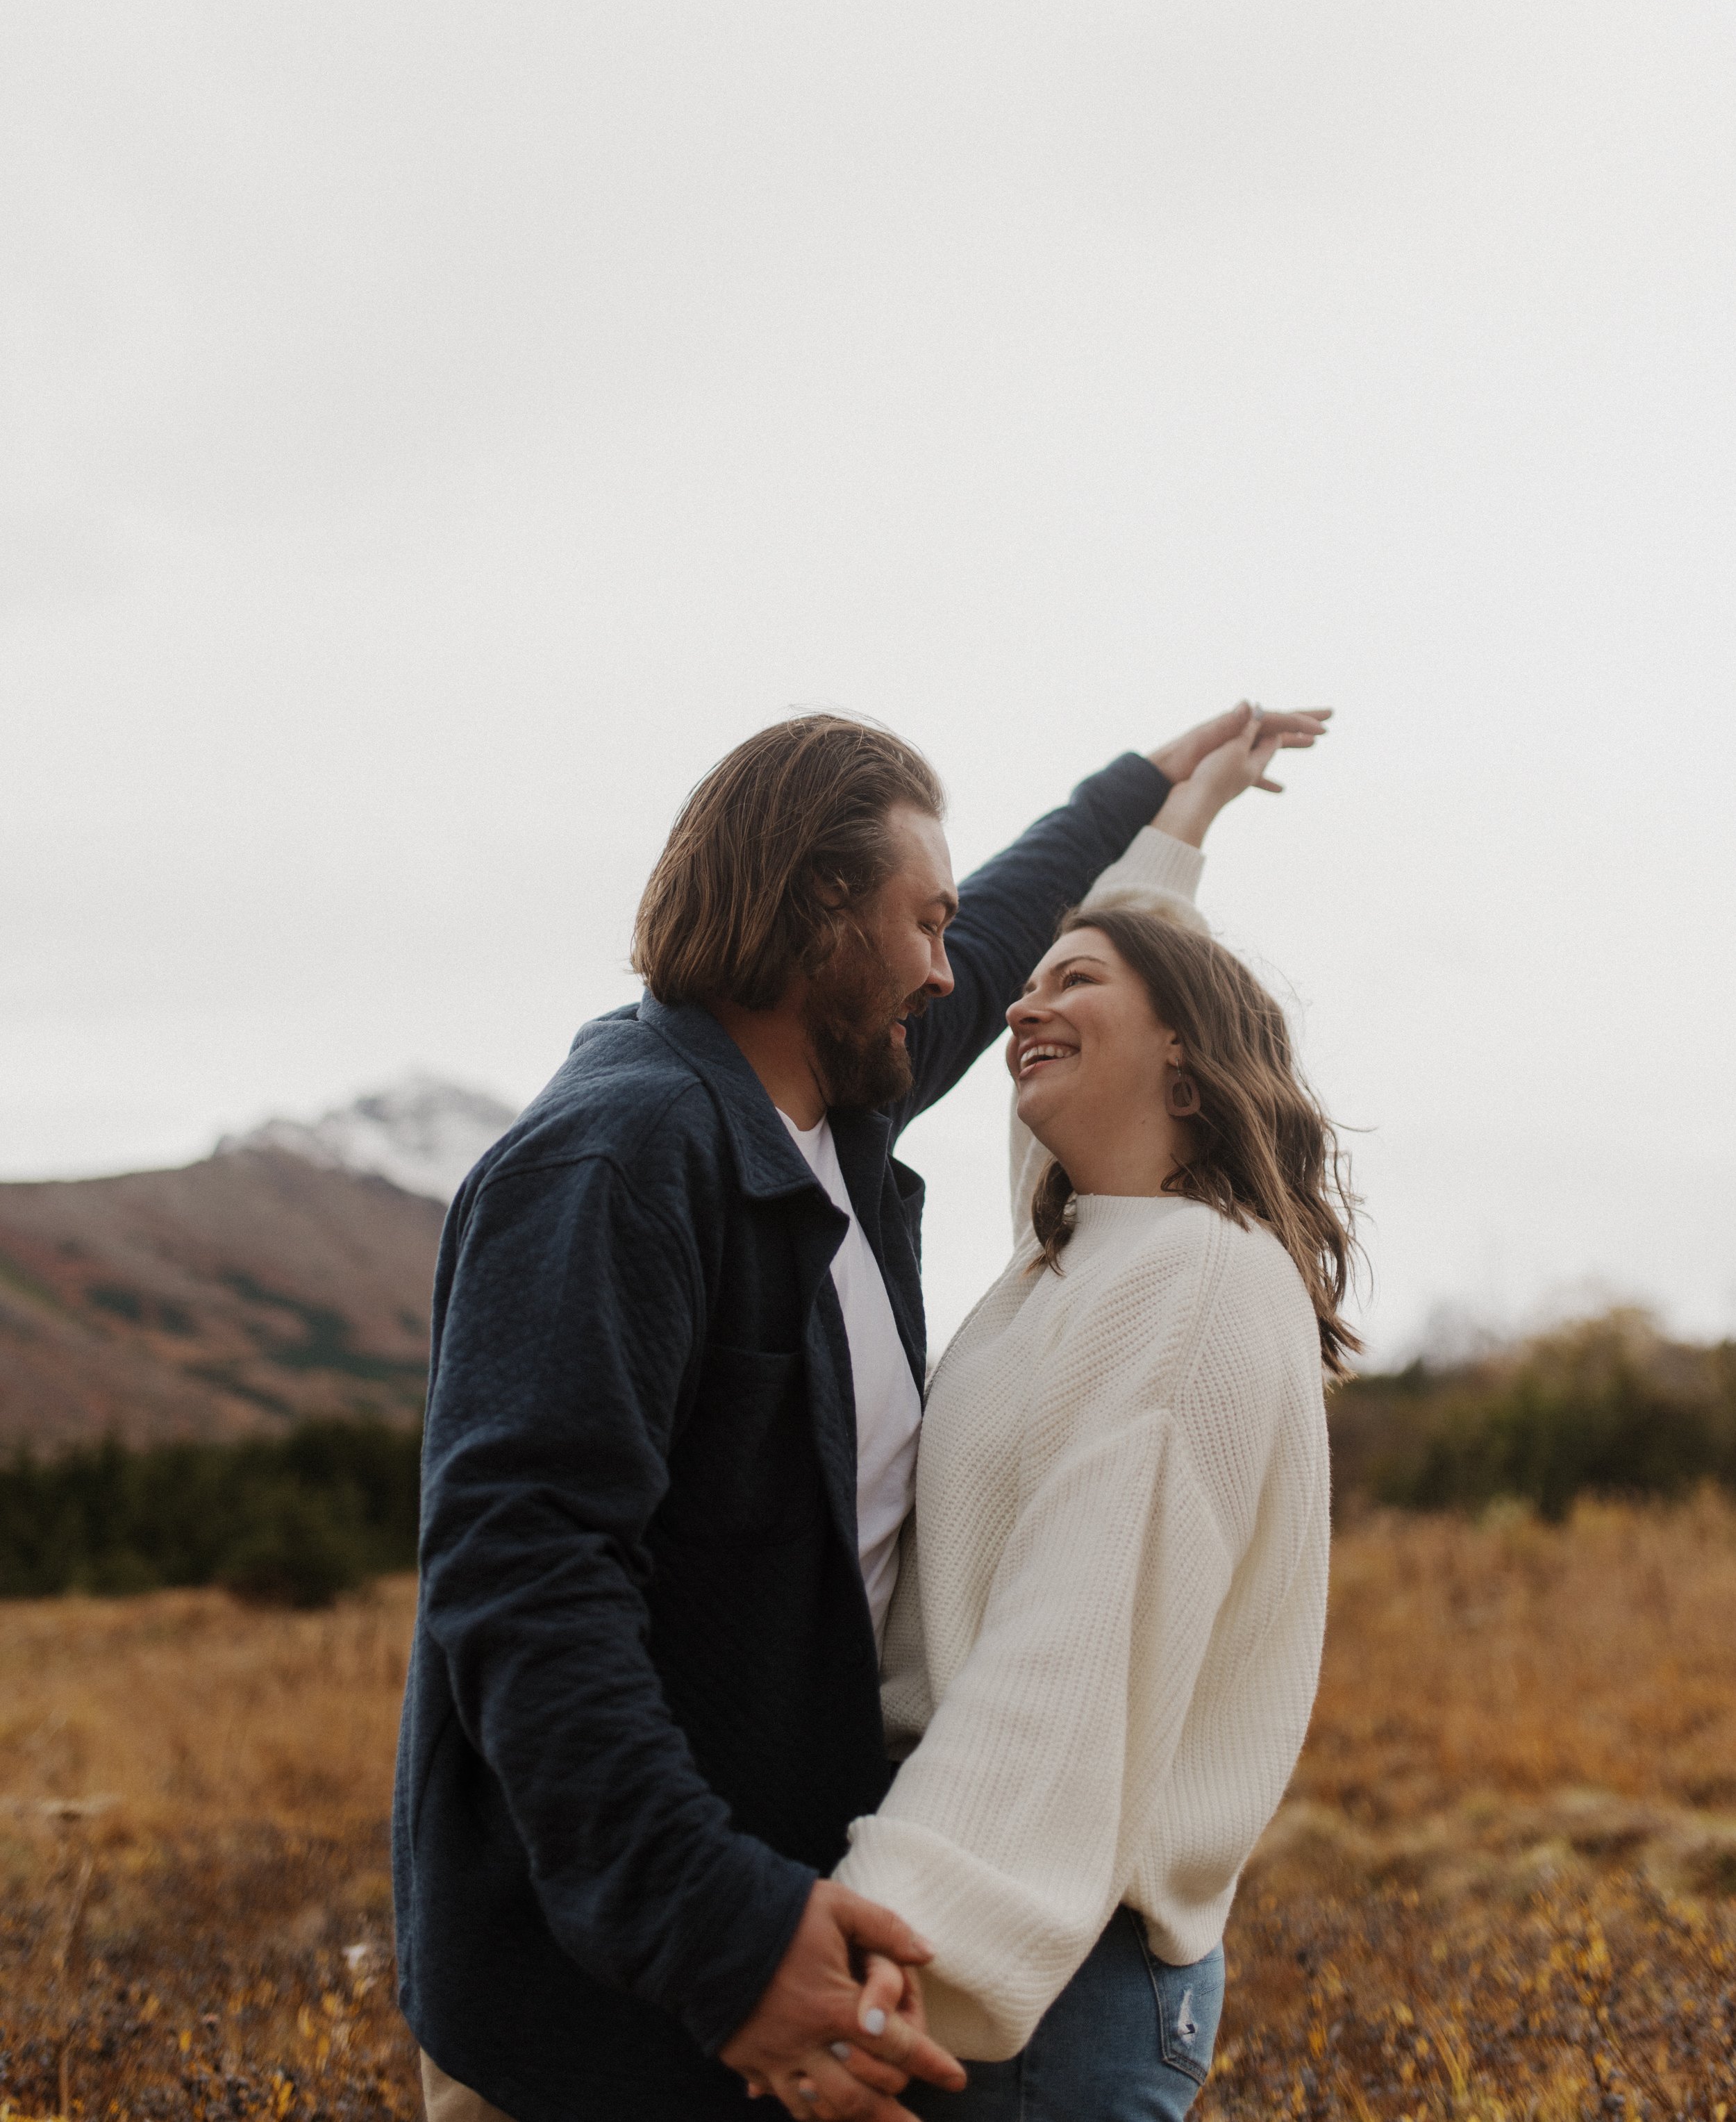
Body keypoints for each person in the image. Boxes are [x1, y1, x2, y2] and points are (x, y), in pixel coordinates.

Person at [392, 701, 1329, 2122]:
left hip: (773, 1968)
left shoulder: (830, 1126)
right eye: (921, 925)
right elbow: (524, 1581)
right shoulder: (621, 1150)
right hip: (593, 2015)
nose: (958, 975)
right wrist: (725, 1933)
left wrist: (1149, 791)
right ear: (815, 914)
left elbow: (1019, 922)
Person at [796, 719, 1358, 2122]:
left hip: (1042, 1976)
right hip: (1019, 1939)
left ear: (1185, 1056)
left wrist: (872, 1953)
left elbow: (1071, 1649)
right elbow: (1111, 1002)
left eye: (1072, 982)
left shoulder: (1189, 1284)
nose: (1014, 1007)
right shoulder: (1084, 1260)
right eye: (1022, 985)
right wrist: (1173, 824)